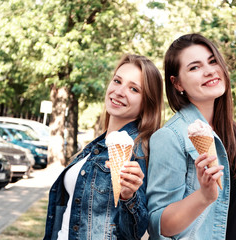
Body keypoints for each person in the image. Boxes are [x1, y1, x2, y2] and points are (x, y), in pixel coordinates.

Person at [147, 33, 236, 239]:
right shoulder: (170, 137)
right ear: (177, 83)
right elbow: (159, 225)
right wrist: (203, 197)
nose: (209, 71)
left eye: (212, 61)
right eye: (194, 67)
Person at [44, 54, 163, 240]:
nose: (119, 91)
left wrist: (129, 197)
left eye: (133, 89)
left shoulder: (139, 152)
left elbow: (134, 233)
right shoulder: (96, 145)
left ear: (147, 102)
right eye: (117, 81)